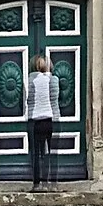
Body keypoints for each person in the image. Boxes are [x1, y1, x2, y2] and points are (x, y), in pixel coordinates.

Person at [25, 53, 59, 189]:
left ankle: (36, 183)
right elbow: (55, 97)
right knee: (51, 153)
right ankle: (51, 183)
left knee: (35, 153)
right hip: (50, 119)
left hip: (34, 119)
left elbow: (27, 99)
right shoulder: (53, 80)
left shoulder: (29, 80)